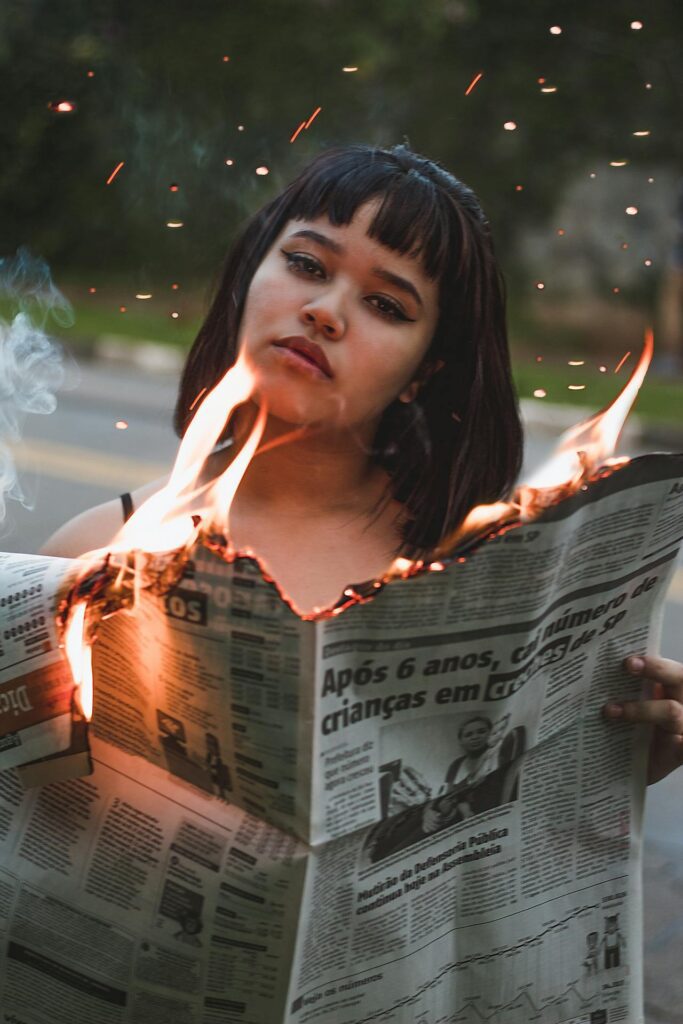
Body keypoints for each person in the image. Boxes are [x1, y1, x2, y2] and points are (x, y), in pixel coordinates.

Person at [41, 143, 683, 783]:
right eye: (306, 264)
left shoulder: (493, 573)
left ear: (424, 371)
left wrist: (627, 765)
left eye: (386, 305)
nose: (325, 312)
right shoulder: (95, 552)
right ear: (249, 274)